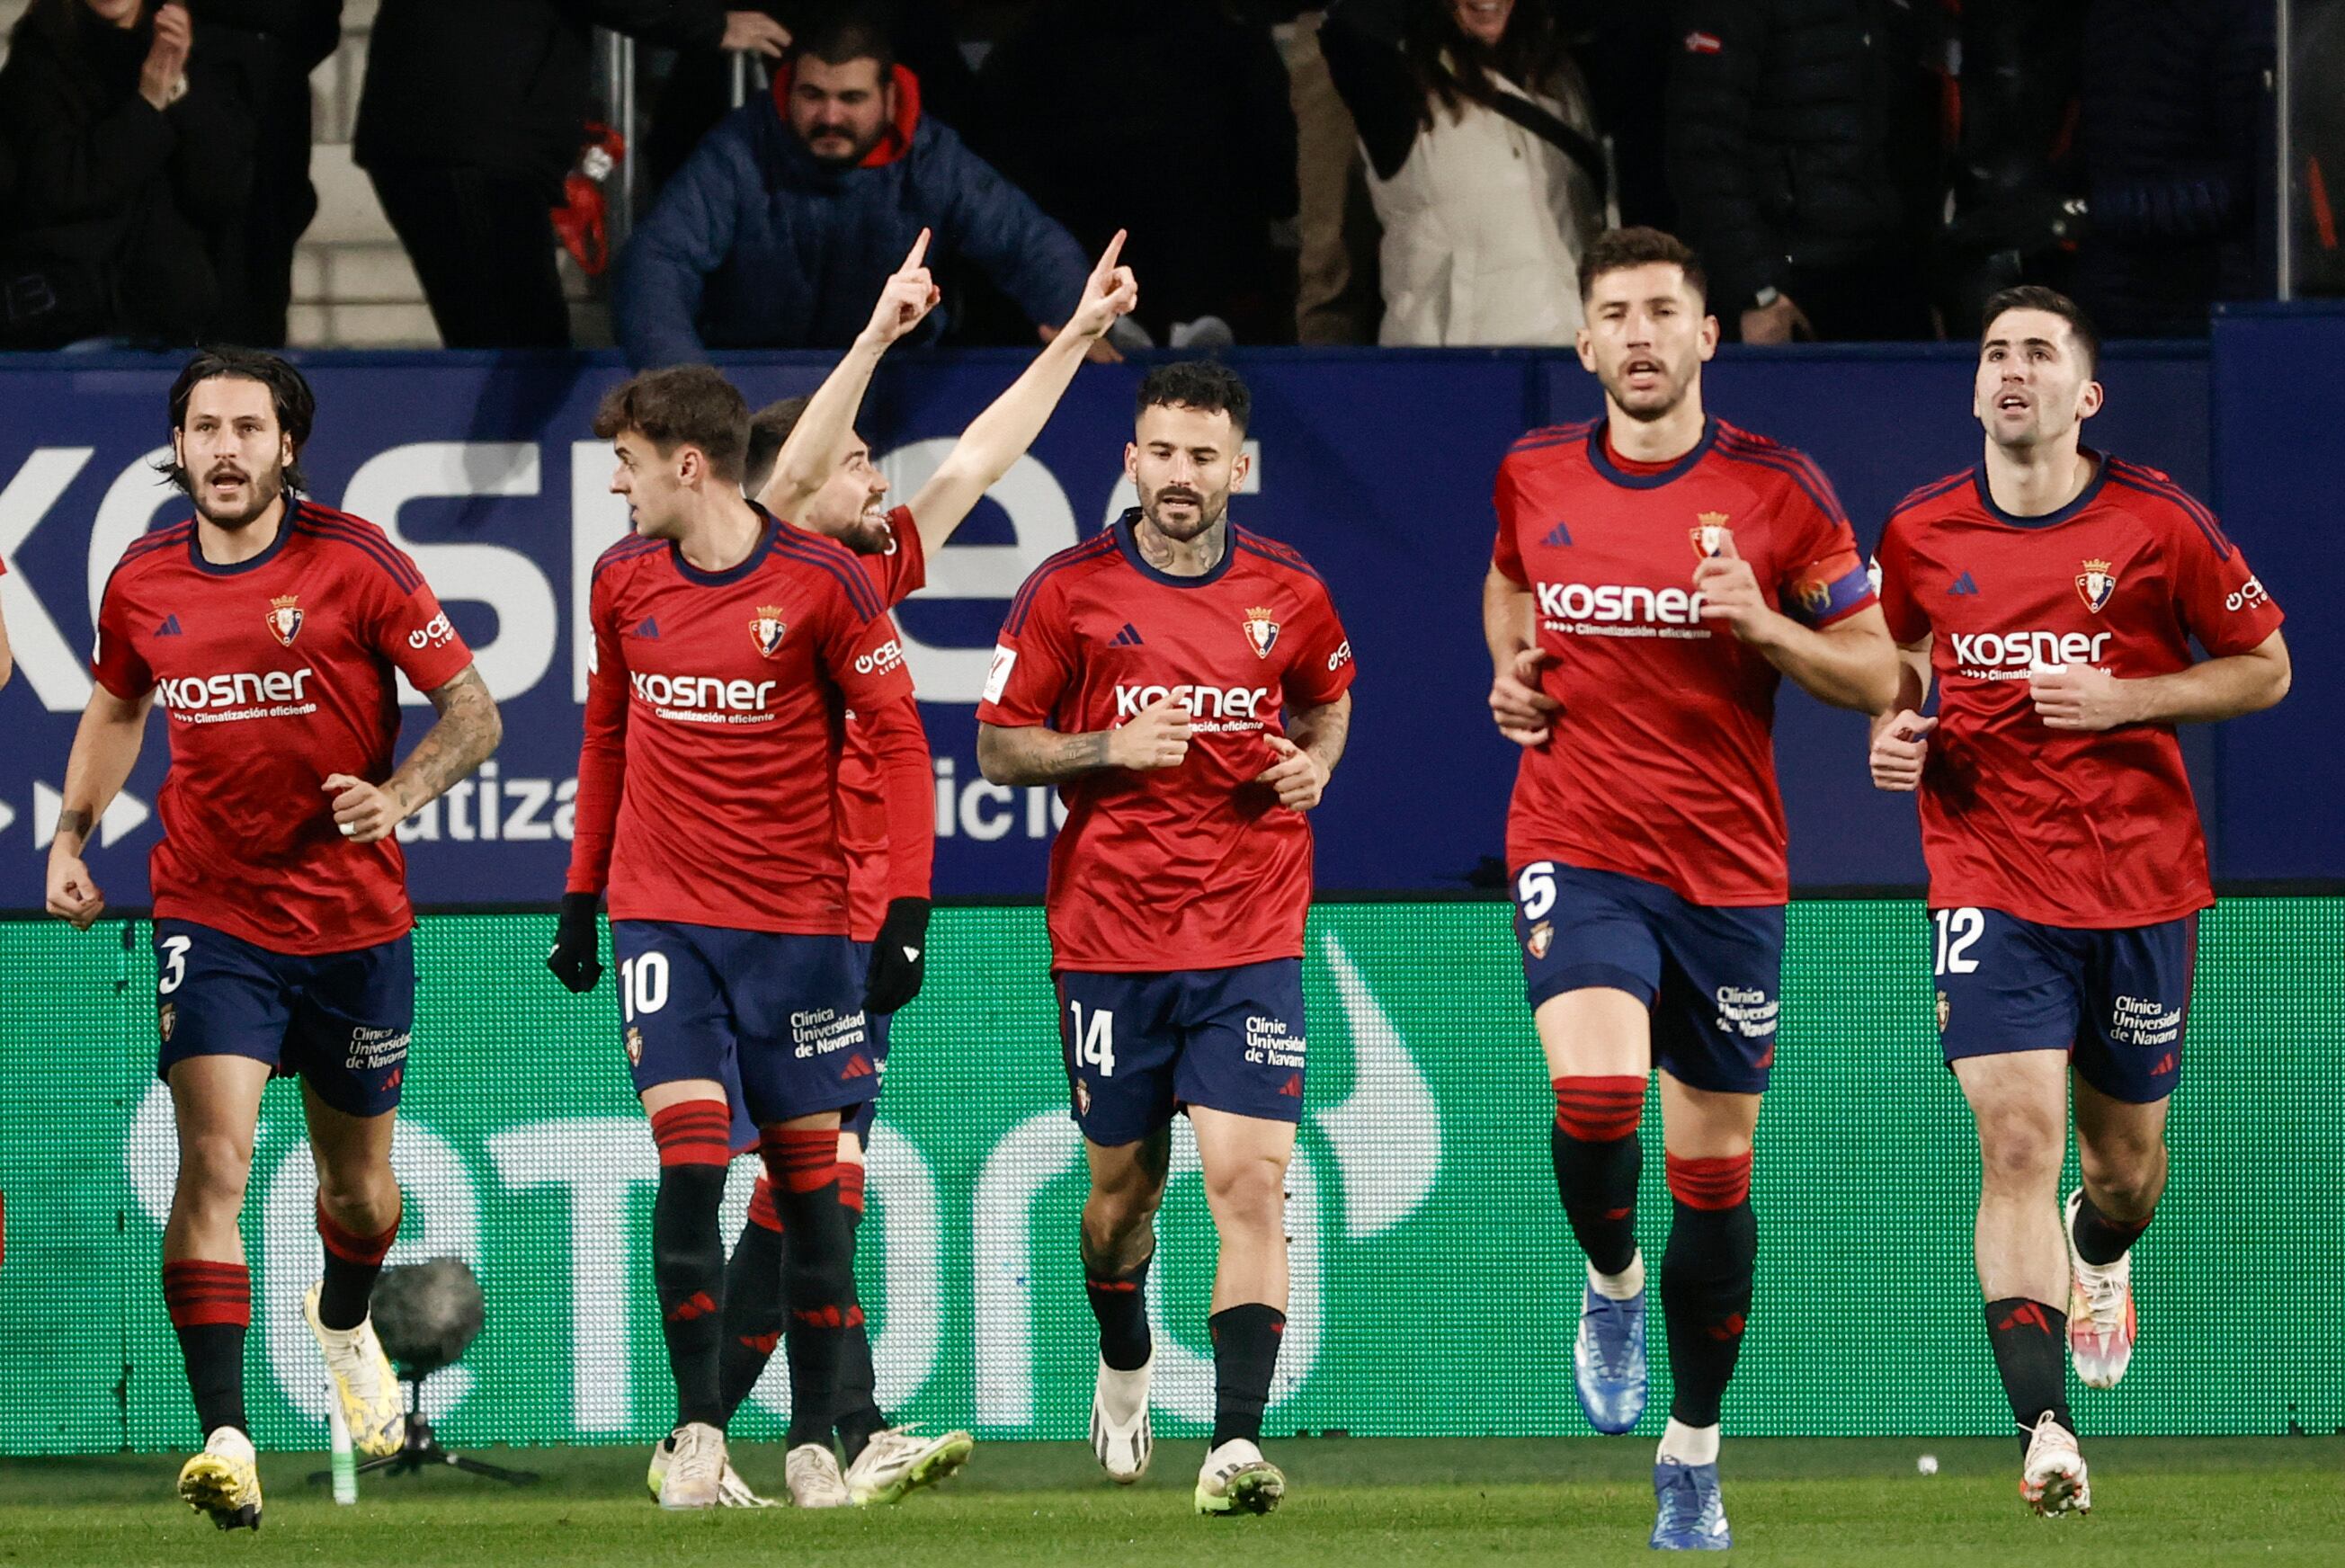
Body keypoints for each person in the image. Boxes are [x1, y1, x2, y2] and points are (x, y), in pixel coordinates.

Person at [638, 227, 1141, 1509]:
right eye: (863, 460)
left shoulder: (868, 568)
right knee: (806, 1188)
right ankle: (812, 1434)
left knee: (817, 1191)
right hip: (772, 918)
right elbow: (799, 463)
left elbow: (983, 455)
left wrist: (1078, 341)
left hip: (853, 916)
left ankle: (754, 1434)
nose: (877, 477)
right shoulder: (774, 545)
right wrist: (874, 334)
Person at [1484, 226, 1894, 1550]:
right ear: (1588, 343)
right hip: (1576, 832)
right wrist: (1514, 671)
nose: (1643, 335)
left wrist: (1765, 627)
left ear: (1708, 336)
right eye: (1618, 314)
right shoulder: (1533, 468)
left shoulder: (1782, 493)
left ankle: (1696, 1450)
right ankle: (1610, 1282)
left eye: (1667, 311)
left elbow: (1880, 671)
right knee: (1597, 1093)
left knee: (1713, 1174)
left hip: (1726, 867)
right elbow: (1508, 582)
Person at [45, 348, 503, 1530]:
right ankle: (227, 1439)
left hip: (354, 923)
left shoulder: (357, 565)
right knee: (217, 1162)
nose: (227, 449)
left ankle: (344, 1320)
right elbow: (117, 704)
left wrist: (399, 798)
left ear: (287, 445)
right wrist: (72, 833)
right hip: (212, 910)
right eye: (206, 428)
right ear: (181, 444)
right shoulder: (143, 578)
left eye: (250, 427)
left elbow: (475, 710)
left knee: (359, 1198)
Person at [1868, 285, 2290, 1516]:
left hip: (2141, 881)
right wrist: (1897, 732)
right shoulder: (1920, 530)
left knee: (2122, 1171)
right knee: (2013, 1139)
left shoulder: (2161, 524)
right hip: (1990, 873)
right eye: (1995, 350)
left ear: (2085, 394)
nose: (2013, 369)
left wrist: (2128, 701)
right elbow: (1893, 668)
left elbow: (2266, 668)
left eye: (2039, 354)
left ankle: (2099, 1254)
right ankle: (2043, 1426)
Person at [547, 365, 933, 1510]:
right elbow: (606, 737)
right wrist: (581, 896)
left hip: (800, 929)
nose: (614, 481)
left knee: (812, 1195)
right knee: (692, 1160)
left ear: (686, 463)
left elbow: (901, 744)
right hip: (664, 915)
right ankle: (701, 1434)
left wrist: (905, 912)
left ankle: (815, 1439)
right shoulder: (620, 581)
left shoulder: (823, 583)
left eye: (625, 460)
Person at [976, 361, 1357, 1517]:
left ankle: (1234, 1443)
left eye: (1203, 456)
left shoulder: (1290, 590)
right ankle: (1127, 1358)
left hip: (1251, 931)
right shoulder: (1067, 593)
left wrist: (1315, 764)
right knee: (1122, 1203)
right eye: (1161, 452)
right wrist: (1106, 749)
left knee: (1249, 1182)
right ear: (1131, 460)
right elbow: (999, 745)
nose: (1181, 475)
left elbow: (1326, 697)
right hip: (1110, 939)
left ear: (1238, 466)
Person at [613, 13, 1092, 369]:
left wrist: (1076, 319)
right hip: (752, 377)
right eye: (813, 95)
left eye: (851, 98)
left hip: (892, 383)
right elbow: (659, 261)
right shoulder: (740, 150)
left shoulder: (935, 160)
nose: (830, 116)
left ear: (889, 97)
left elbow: (1027, 244)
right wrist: (678, 379)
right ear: (789, 88)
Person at [354, 0, 790, 349]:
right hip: (470, 135)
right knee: (515, 348)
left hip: (451, 128)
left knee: (500, 340)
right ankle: (521, 455)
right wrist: (711, 25)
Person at [1320, 0, 1606, 345]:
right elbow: (1348, 23)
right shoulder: (1397, 84)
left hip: (1575, 356)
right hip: (1454, 367)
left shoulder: (1564, 78)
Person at [1664, 0, 1943, 342]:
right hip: (1787, 283)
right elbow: (1702, 148)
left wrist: (1928, 279)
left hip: (1883, 273)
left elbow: (1911, 143)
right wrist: (1758, 289)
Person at [0, 0, 256, 349]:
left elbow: (221, 189)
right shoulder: (39, 61)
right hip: (70, 317)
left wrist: (177, 86)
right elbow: (64, 188)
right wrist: (149, 103)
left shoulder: (201, 50)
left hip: (176, 318)